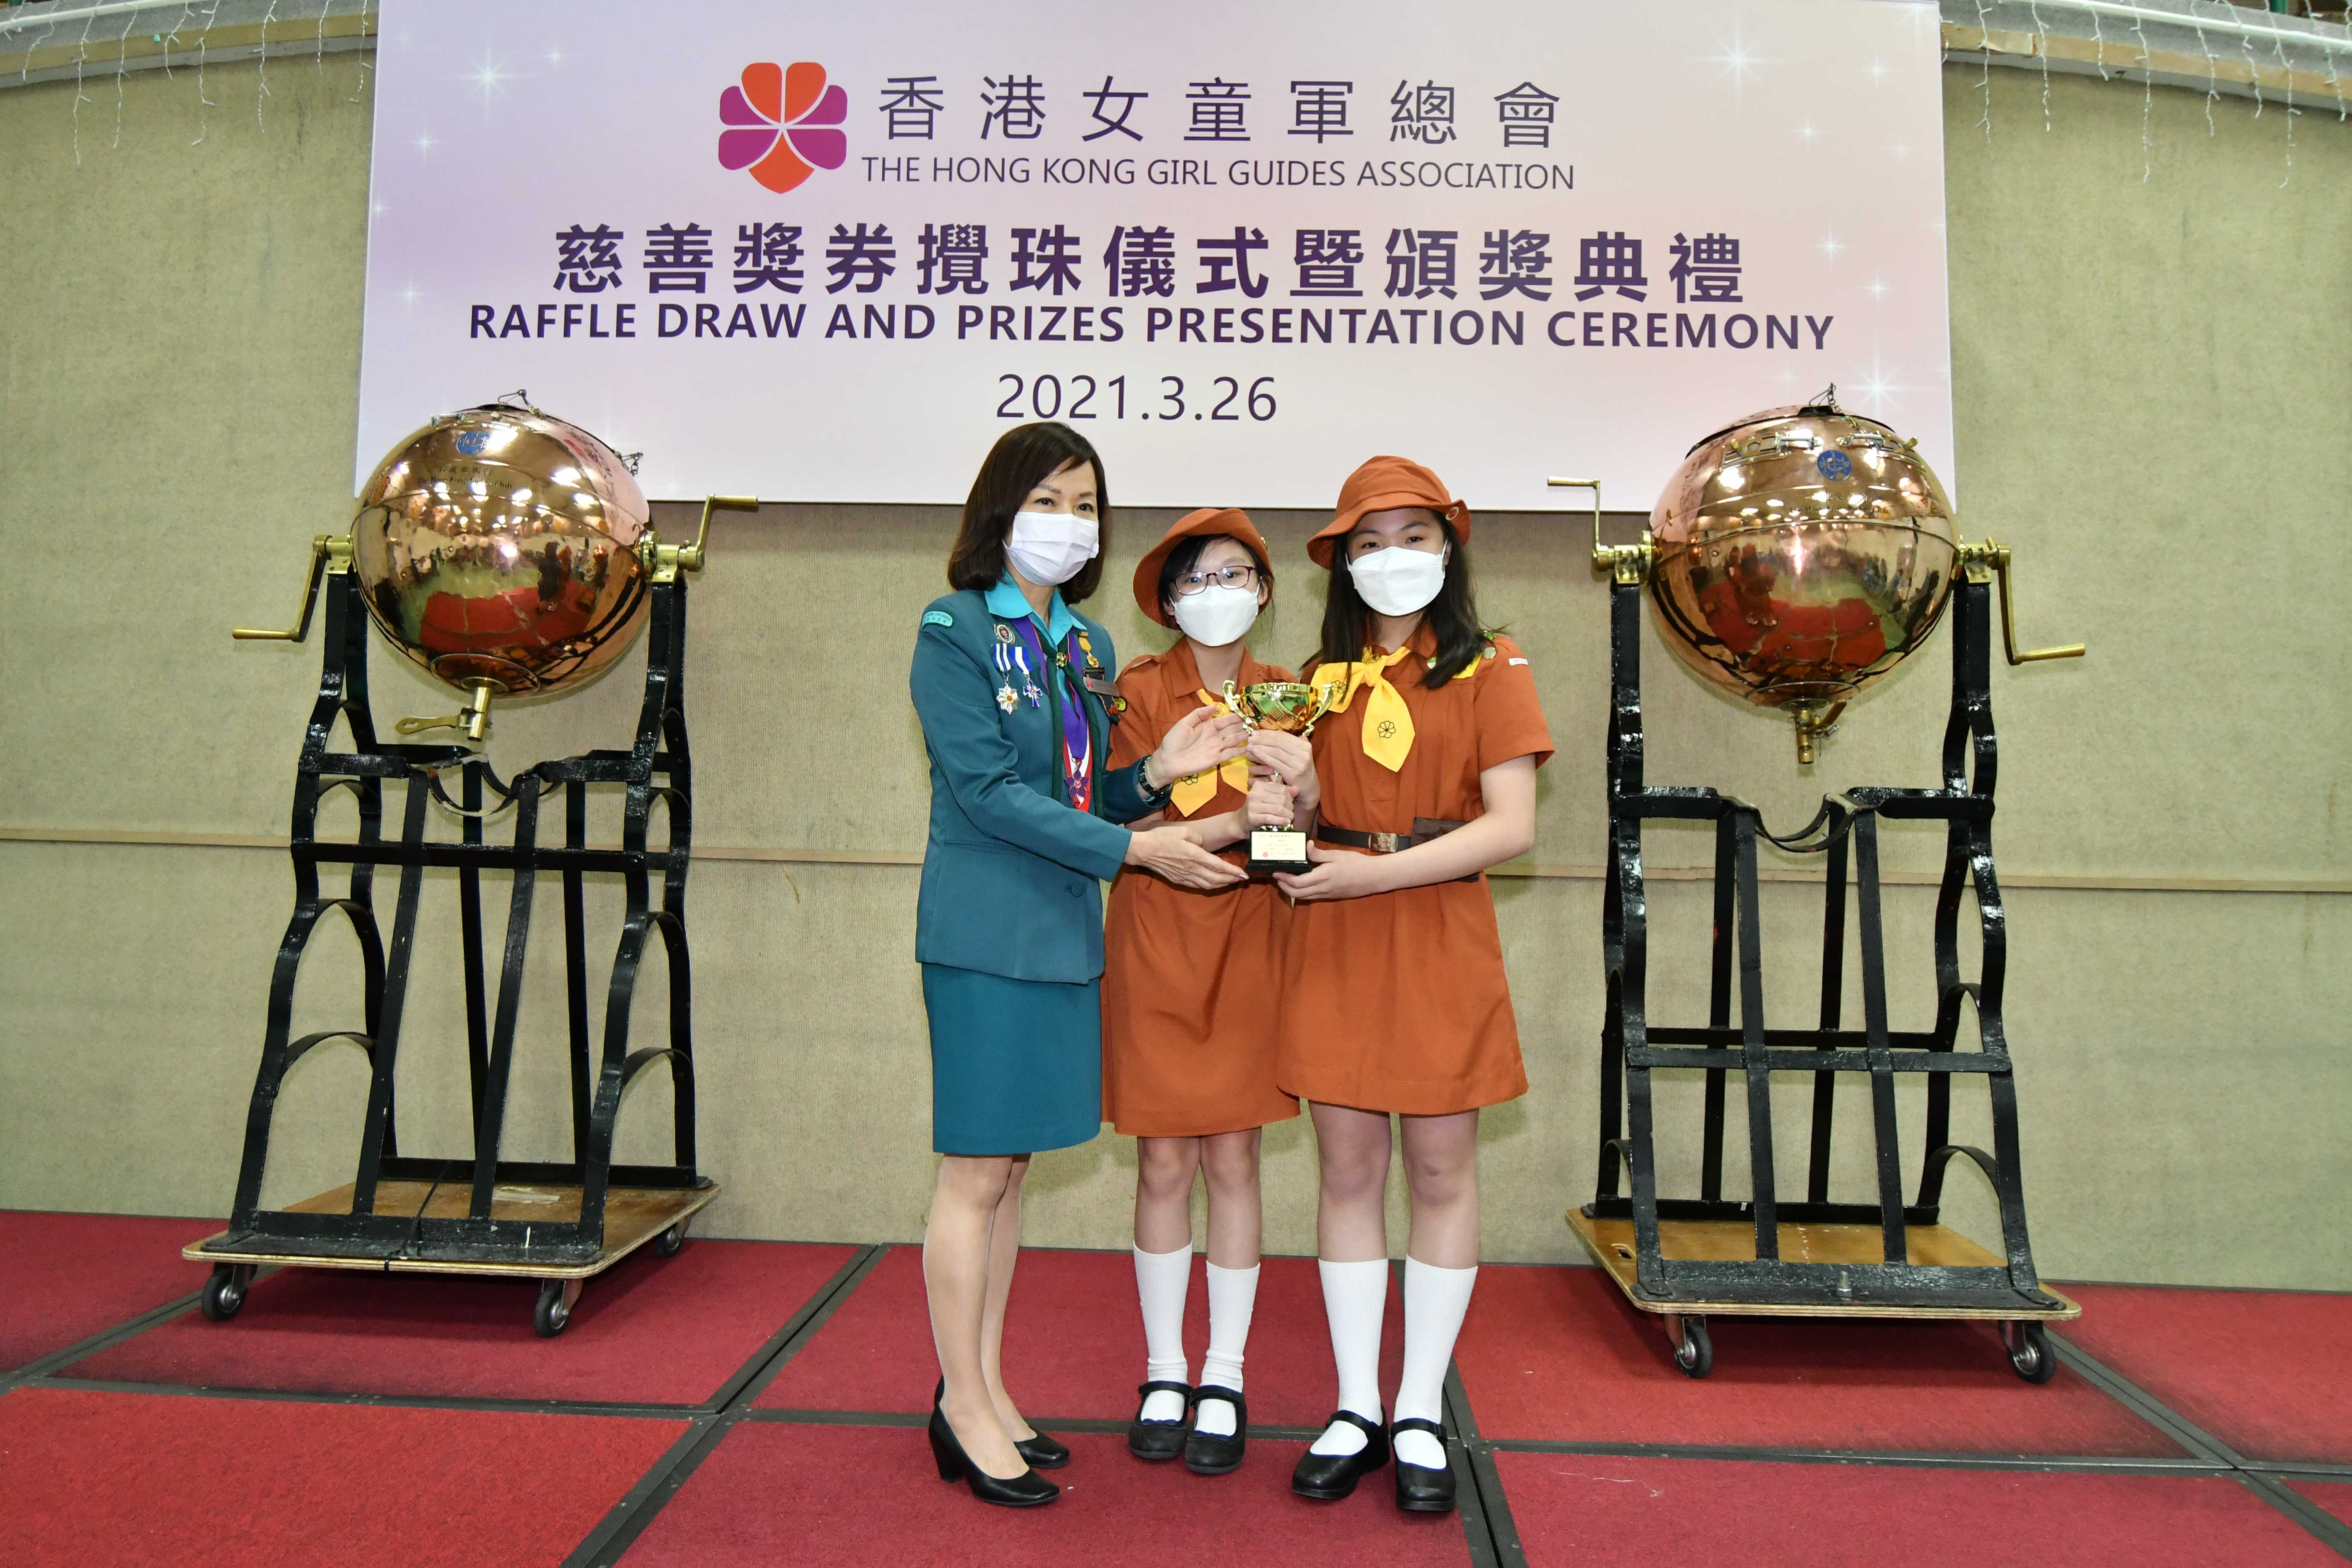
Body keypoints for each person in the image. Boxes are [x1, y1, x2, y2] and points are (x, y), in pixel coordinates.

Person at [908, 423, 1249, 1508]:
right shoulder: (955, 629)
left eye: (1086, 505)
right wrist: (1138, 850)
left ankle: (985, 1387)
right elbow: (987, 794)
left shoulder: (1086, 646)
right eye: (1048, 500)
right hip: (982, 935)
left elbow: (1082, 795)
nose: (1069, 523)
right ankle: (962, 1405)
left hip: (1062, 934)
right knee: (974, 1172)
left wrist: (1159, 773)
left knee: (1010, 1172)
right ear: (999, 509)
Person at [1272, 456, 1553, 1514]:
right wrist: (1289, 813)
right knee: (1347, 1170)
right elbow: (1289, 834)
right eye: (1369, 542)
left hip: (1436, 930)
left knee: (1440, 1171)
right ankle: (1356, 1405)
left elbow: (1512, 826)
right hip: (1338, 937)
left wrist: (1373, 874)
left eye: (1413, 537)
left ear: (1449, 548)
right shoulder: (1315, 680)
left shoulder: (1493, 665)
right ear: (1343, 562)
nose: (1392, 557)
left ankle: (1421, 1404)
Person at [1100, 509, 1311, 1477]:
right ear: (1168, 597)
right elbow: (1114, 818)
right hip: (1155, 937)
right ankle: (1164, 1368)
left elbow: (1305, 833)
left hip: (1252, 938)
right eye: (1195, 578)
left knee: (1236, 1160)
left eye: (1234, 573)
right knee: (1160, 1164)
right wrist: (1228, 820)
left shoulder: (1289, 691)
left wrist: (1292, 806)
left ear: (1263, 591)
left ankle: (1224, 1371)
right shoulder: (1139, 689)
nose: (1215, 591)